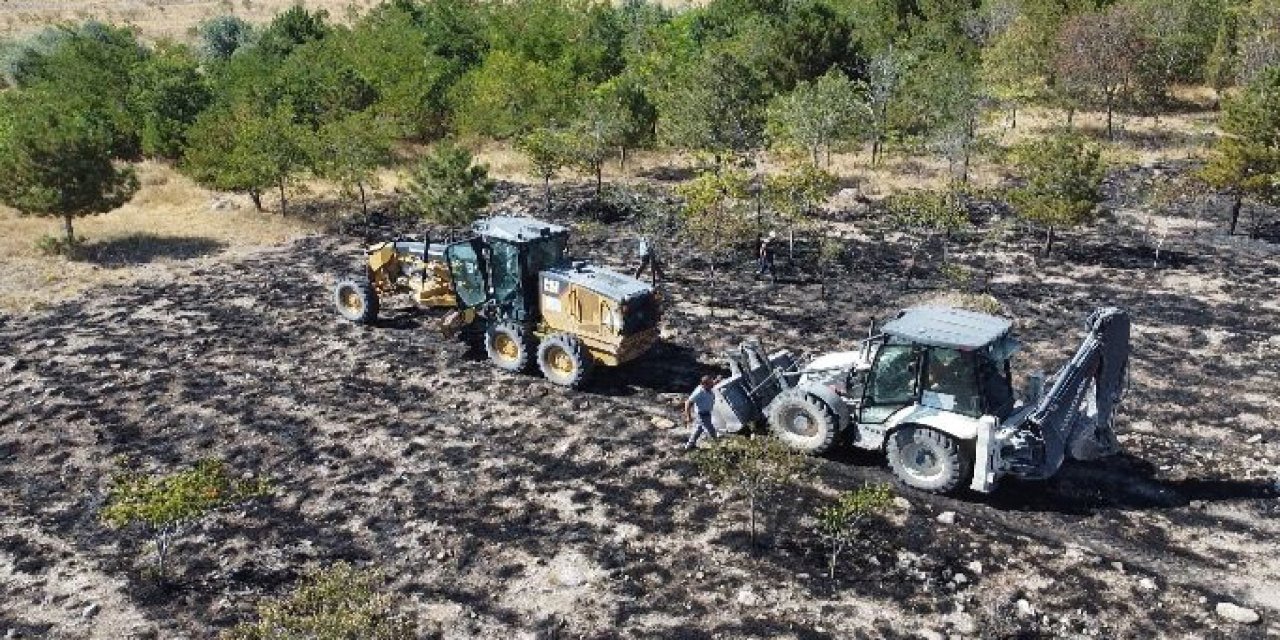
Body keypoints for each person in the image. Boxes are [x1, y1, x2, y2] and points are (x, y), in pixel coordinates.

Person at [683, 375, 720, 449]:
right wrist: (688, 417)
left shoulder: (708, 387)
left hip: (707, 413)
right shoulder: (699, 392)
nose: (712, 385)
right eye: (710, 383)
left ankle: (689, 446)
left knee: (698, 429)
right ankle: (717, 447)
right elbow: (687, 403)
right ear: (704, 384)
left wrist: (717, 380)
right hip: (702, 415)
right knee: (711, 431)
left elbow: (712, 384)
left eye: (712, 382)